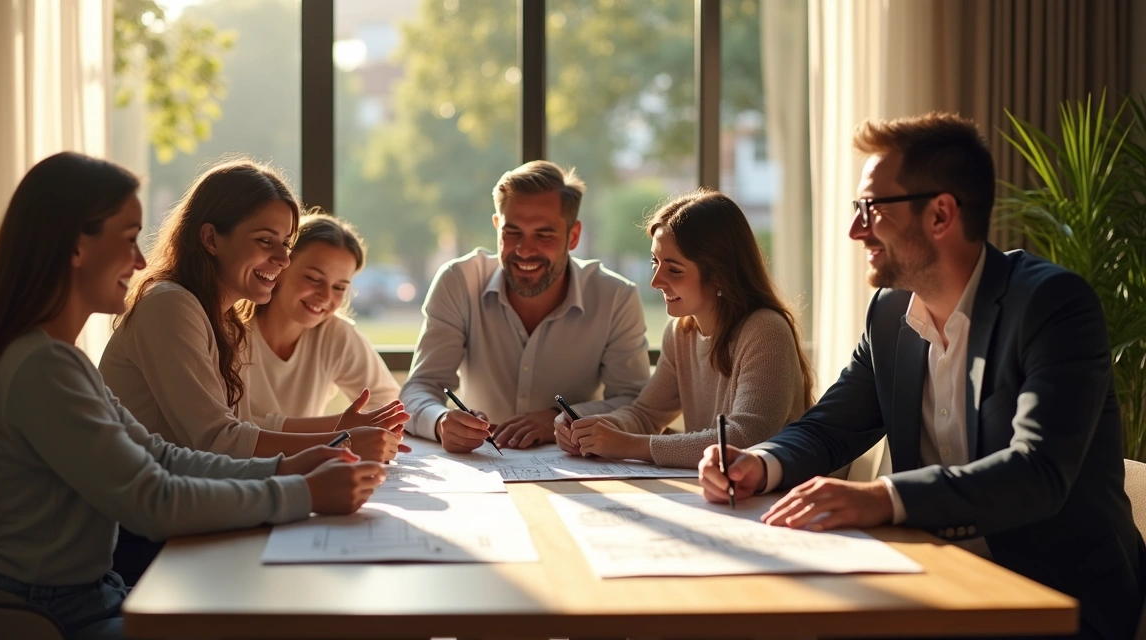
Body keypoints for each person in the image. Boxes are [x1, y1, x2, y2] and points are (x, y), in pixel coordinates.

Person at [698, 112, 1144, 639]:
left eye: (871, 209)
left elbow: (1037, 473)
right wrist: (760, 462)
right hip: (929, 579)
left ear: (940, 214)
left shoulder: (1051, 306)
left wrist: (882, 497)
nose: (854, 229)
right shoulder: (890, 313)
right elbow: (830, 426)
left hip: (1055, 598)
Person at [0, 152, 385, 640]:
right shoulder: (45, 367)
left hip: (91, 592)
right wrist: (303, 491)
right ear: (75, 248)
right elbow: (154, 498)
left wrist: (284, 468)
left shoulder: (58, 359)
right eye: (128, 240)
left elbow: (161, 455)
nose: (140, 260)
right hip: (50, 613)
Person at [100, 158, 409, 464]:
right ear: (210, 239)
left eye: (286, 244)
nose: (283, 260)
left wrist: (341, 435)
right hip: (137, 507)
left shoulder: (225, 320)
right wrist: (342, 441)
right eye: (265, 241)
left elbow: (240, 433)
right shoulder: (169, 305)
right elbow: (218, 441)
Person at [400, 160, 650, 453]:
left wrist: (560, 419)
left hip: (574, 466)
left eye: (543, 235)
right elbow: (419, 388)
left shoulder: (615, 297)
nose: (524, 250)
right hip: (482, 465)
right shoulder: (458, 281)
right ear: (497, 226)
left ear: (573, 236)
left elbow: (634, 401)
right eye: (512, 232)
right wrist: (441, 421)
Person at [556, 190, 813, 468]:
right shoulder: (681, 332)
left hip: (772, 500)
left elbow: (746, 438)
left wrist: (628, 444)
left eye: (674, 270)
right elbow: (645, 415)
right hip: (719, 494)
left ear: (719, 275)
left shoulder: (765, 330)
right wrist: (589, 427)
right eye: (655, 262)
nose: (655, 282)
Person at [244, 209, 400, 429]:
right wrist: (340, 427)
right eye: (314, 278)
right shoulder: (231, 331)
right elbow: (227, 429)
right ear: (280, 268)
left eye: (339, 287)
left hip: (312, 463)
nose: (326, 297)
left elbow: (387, 403)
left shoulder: (335, 334)